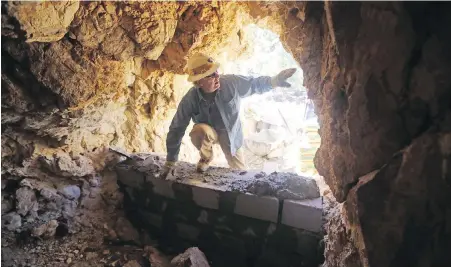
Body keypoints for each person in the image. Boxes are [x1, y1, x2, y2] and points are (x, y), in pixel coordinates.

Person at [162, 53, 296, 176]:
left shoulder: (231, 83)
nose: (217, 77)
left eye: (216, 72)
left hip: (231, 134)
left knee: (239, 174)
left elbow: (253, 84)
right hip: (209, 134)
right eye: (211, 75)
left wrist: (275, 81)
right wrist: (171, 162)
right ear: (199, 82)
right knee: (198, 131)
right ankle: (206, 158)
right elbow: (177, 128)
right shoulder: (190, 99)